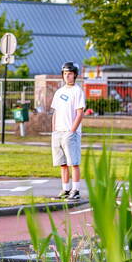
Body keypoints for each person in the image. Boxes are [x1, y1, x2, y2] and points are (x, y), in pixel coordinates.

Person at [50, 62, 85, 201]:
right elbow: (55, 112)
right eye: (65, 73)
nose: (67, 76)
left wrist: (72, 130)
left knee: (73, 162)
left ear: (75, 75)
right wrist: (53, 130)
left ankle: (75, 190)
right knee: (62, 164)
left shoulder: (77, 91)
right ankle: (65, 189)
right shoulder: (59, 92)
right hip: (58, 132)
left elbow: (80, 113)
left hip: (71, 133)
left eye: (70, 73)